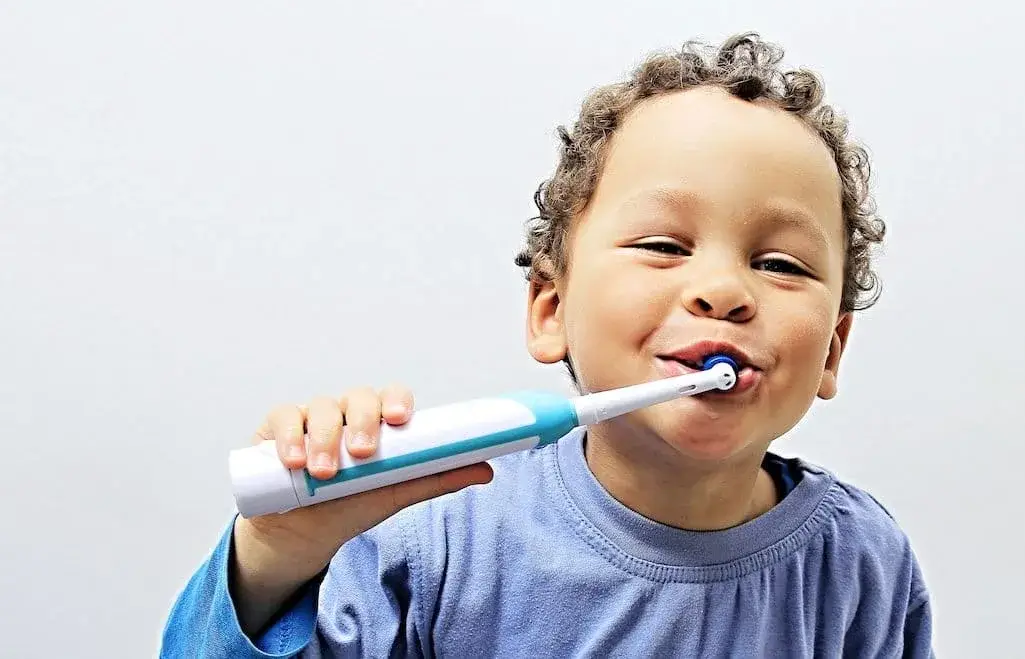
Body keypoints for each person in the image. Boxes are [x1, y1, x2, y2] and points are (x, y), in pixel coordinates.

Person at [161, 32, 933, 657]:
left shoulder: (863, 565)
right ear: (550, 308)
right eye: (664, 244)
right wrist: (273, 557)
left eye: (780, 263)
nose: (726, 290)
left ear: (832, 349)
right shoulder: (435, 538)